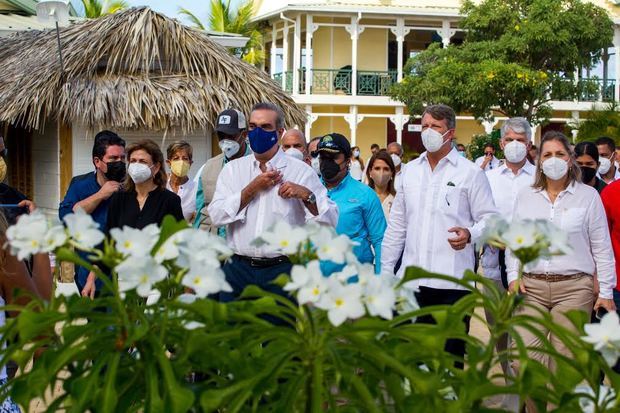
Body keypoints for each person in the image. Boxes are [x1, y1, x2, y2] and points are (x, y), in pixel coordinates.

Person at [381, 104, 497, 366]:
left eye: (436, 127)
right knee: (410, 360)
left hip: (453, 285)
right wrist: (387, 271)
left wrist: (470, 233)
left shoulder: (471, 173)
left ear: (451, 132)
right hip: (411, 282)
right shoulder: (409, 171)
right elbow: (398, 225)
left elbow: (490, 219)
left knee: (449, 361)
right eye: (425, 126)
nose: (428, 132)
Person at [507, 131, 616, 373]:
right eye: (547, 154)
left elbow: (601, 247)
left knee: (564, 365)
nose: (553, 159)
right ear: (539, 161)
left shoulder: (588, 197)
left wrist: (606, 291)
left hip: (575, 290)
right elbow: (515, 242)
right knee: (523, 361)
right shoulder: (526, 196)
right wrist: (513, 276)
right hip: (530, 288)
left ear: (570, 159)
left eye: (560, 154)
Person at [208, 102, 338, 303]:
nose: (257, 132)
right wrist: (251, 189)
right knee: (232, 333)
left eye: (265, 127)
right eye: (252, 127)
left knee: (277, 333)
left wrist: (306, 195)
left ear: (279, 132)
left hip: (281, 271)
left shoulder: (301, 172)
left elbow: (330, 220)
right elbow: (216, 216)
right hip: (237, 271)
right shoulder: (233, 170)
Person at [82, 139, 184, 297]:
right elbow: (109, 240)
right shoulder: (119, 199)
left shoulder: (170, 201)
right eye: (133, 161)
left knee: (152, 321)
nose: (136, 165)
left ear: (156, 167)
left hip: (158, 279)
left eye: (143, 161)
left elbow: (180, 243)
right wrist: (91, 278)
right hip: (126, 278)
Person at [59, 130, 126, 291]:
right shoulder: (80, 184)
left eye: (122, 158)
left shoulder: (129, 187)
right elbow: (66, 217)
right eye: (113, 158)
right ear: (97, 161)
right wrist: (101, 195)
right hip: (87, 266)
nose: (120, 162)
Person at [318, 133, 386, 273]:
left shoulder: (365, 195)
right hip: (316, 282)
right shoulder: (310, 189)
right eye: (323, 157)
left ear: (348, 161)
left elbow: (380, 240)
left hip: (354, 281)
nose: (327, 162)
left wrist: (381, 278)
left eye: (334, 157)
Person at [194, 109, 251, 233]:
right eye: (221, 136)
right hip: (214, 244)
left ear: (244, 135)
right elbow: (201, 209)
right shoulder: (208, 167)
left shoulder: (257, 164)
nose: (225, 140)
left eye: (231, 136)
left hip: (243, 243)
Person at [166, 141, 197, 223]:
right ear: (169, 163)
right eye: (176, 158)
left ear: (190, 163)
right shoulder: (161, 186)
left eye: (185, 158)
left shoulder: (196, 189)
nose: (181, 162)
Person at [366, 151, 396, 219]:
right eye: (377, 168)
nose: (381, 173)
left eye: (386, 169)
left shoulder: (397, 199)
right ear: (370, 171)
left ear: (392, 173)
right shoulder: (362, 198)